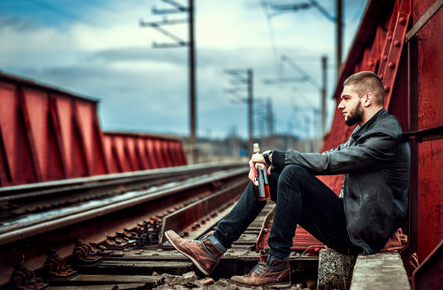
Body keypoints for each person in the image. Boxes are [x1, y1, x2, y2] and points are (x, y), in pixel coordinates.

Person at [165, 71, 410, 288]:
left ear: (367, 99)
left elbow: (329, 164)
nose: (340, 105)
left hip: (364, 235)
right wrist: (270, 162)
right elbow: (329, 155)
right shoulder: (364, 131)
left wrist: (274, 155)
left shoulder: (384, 137)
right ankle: (214, 246)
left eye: (346, 98)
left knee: (292, 174)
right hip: (353, 221)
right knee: (270, 176)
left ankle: (276, 263)